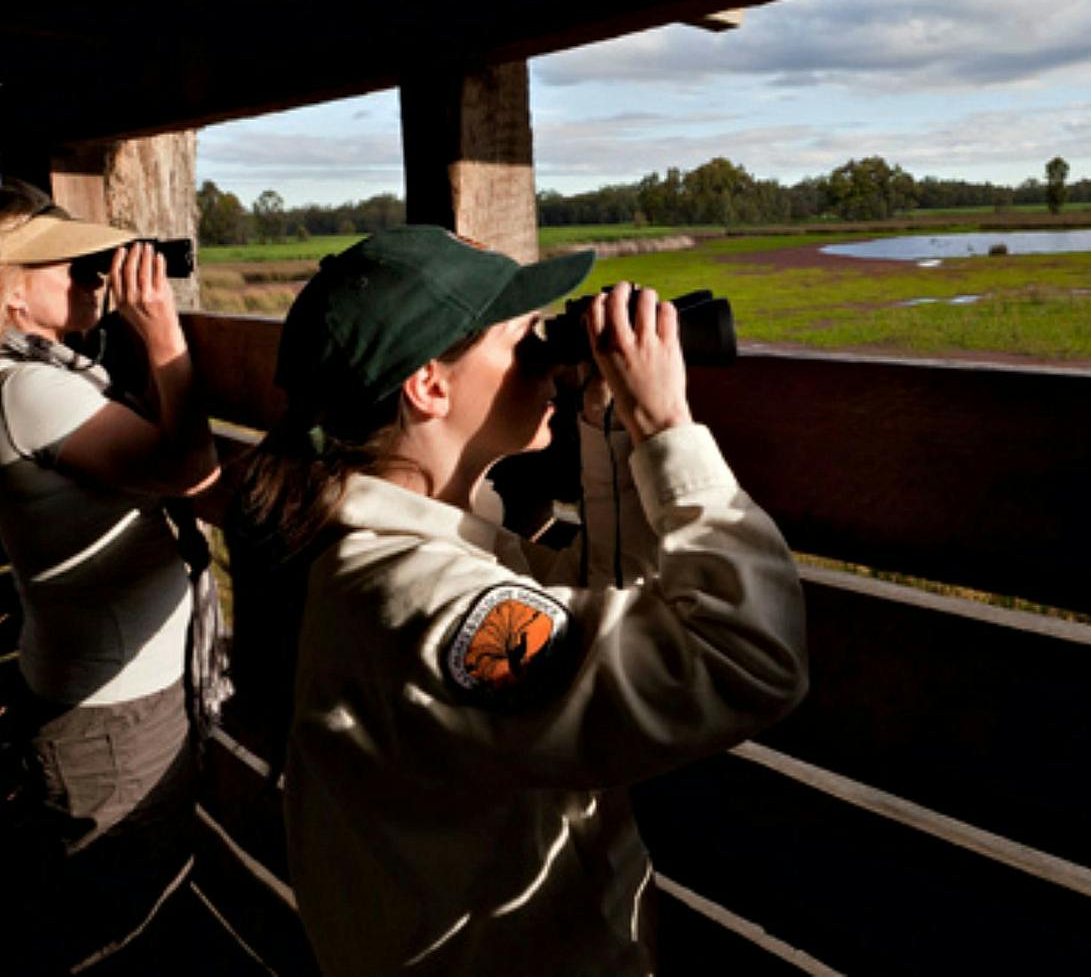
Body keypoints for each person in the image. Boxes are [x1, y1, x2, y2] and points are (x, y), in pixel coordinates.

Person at [226, 226, 808, 976]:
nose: (549, 355)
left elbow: (602, 619)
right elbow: (747, 663)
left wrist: (612, 430)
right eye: (524, 337)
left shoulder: (391, 553)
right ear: (429, 386)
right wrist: (666, 425)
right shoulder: (426, 604)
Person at [0, 178, 223, 973]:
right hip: (109, 712)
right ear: (13, 297)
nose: (93, 277)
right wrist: (163, 336)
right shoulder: (28, 389)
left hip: (102, 691)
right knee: (125, 920)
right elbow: (191, 467)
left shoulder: (38, 371)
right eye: (69, 266)